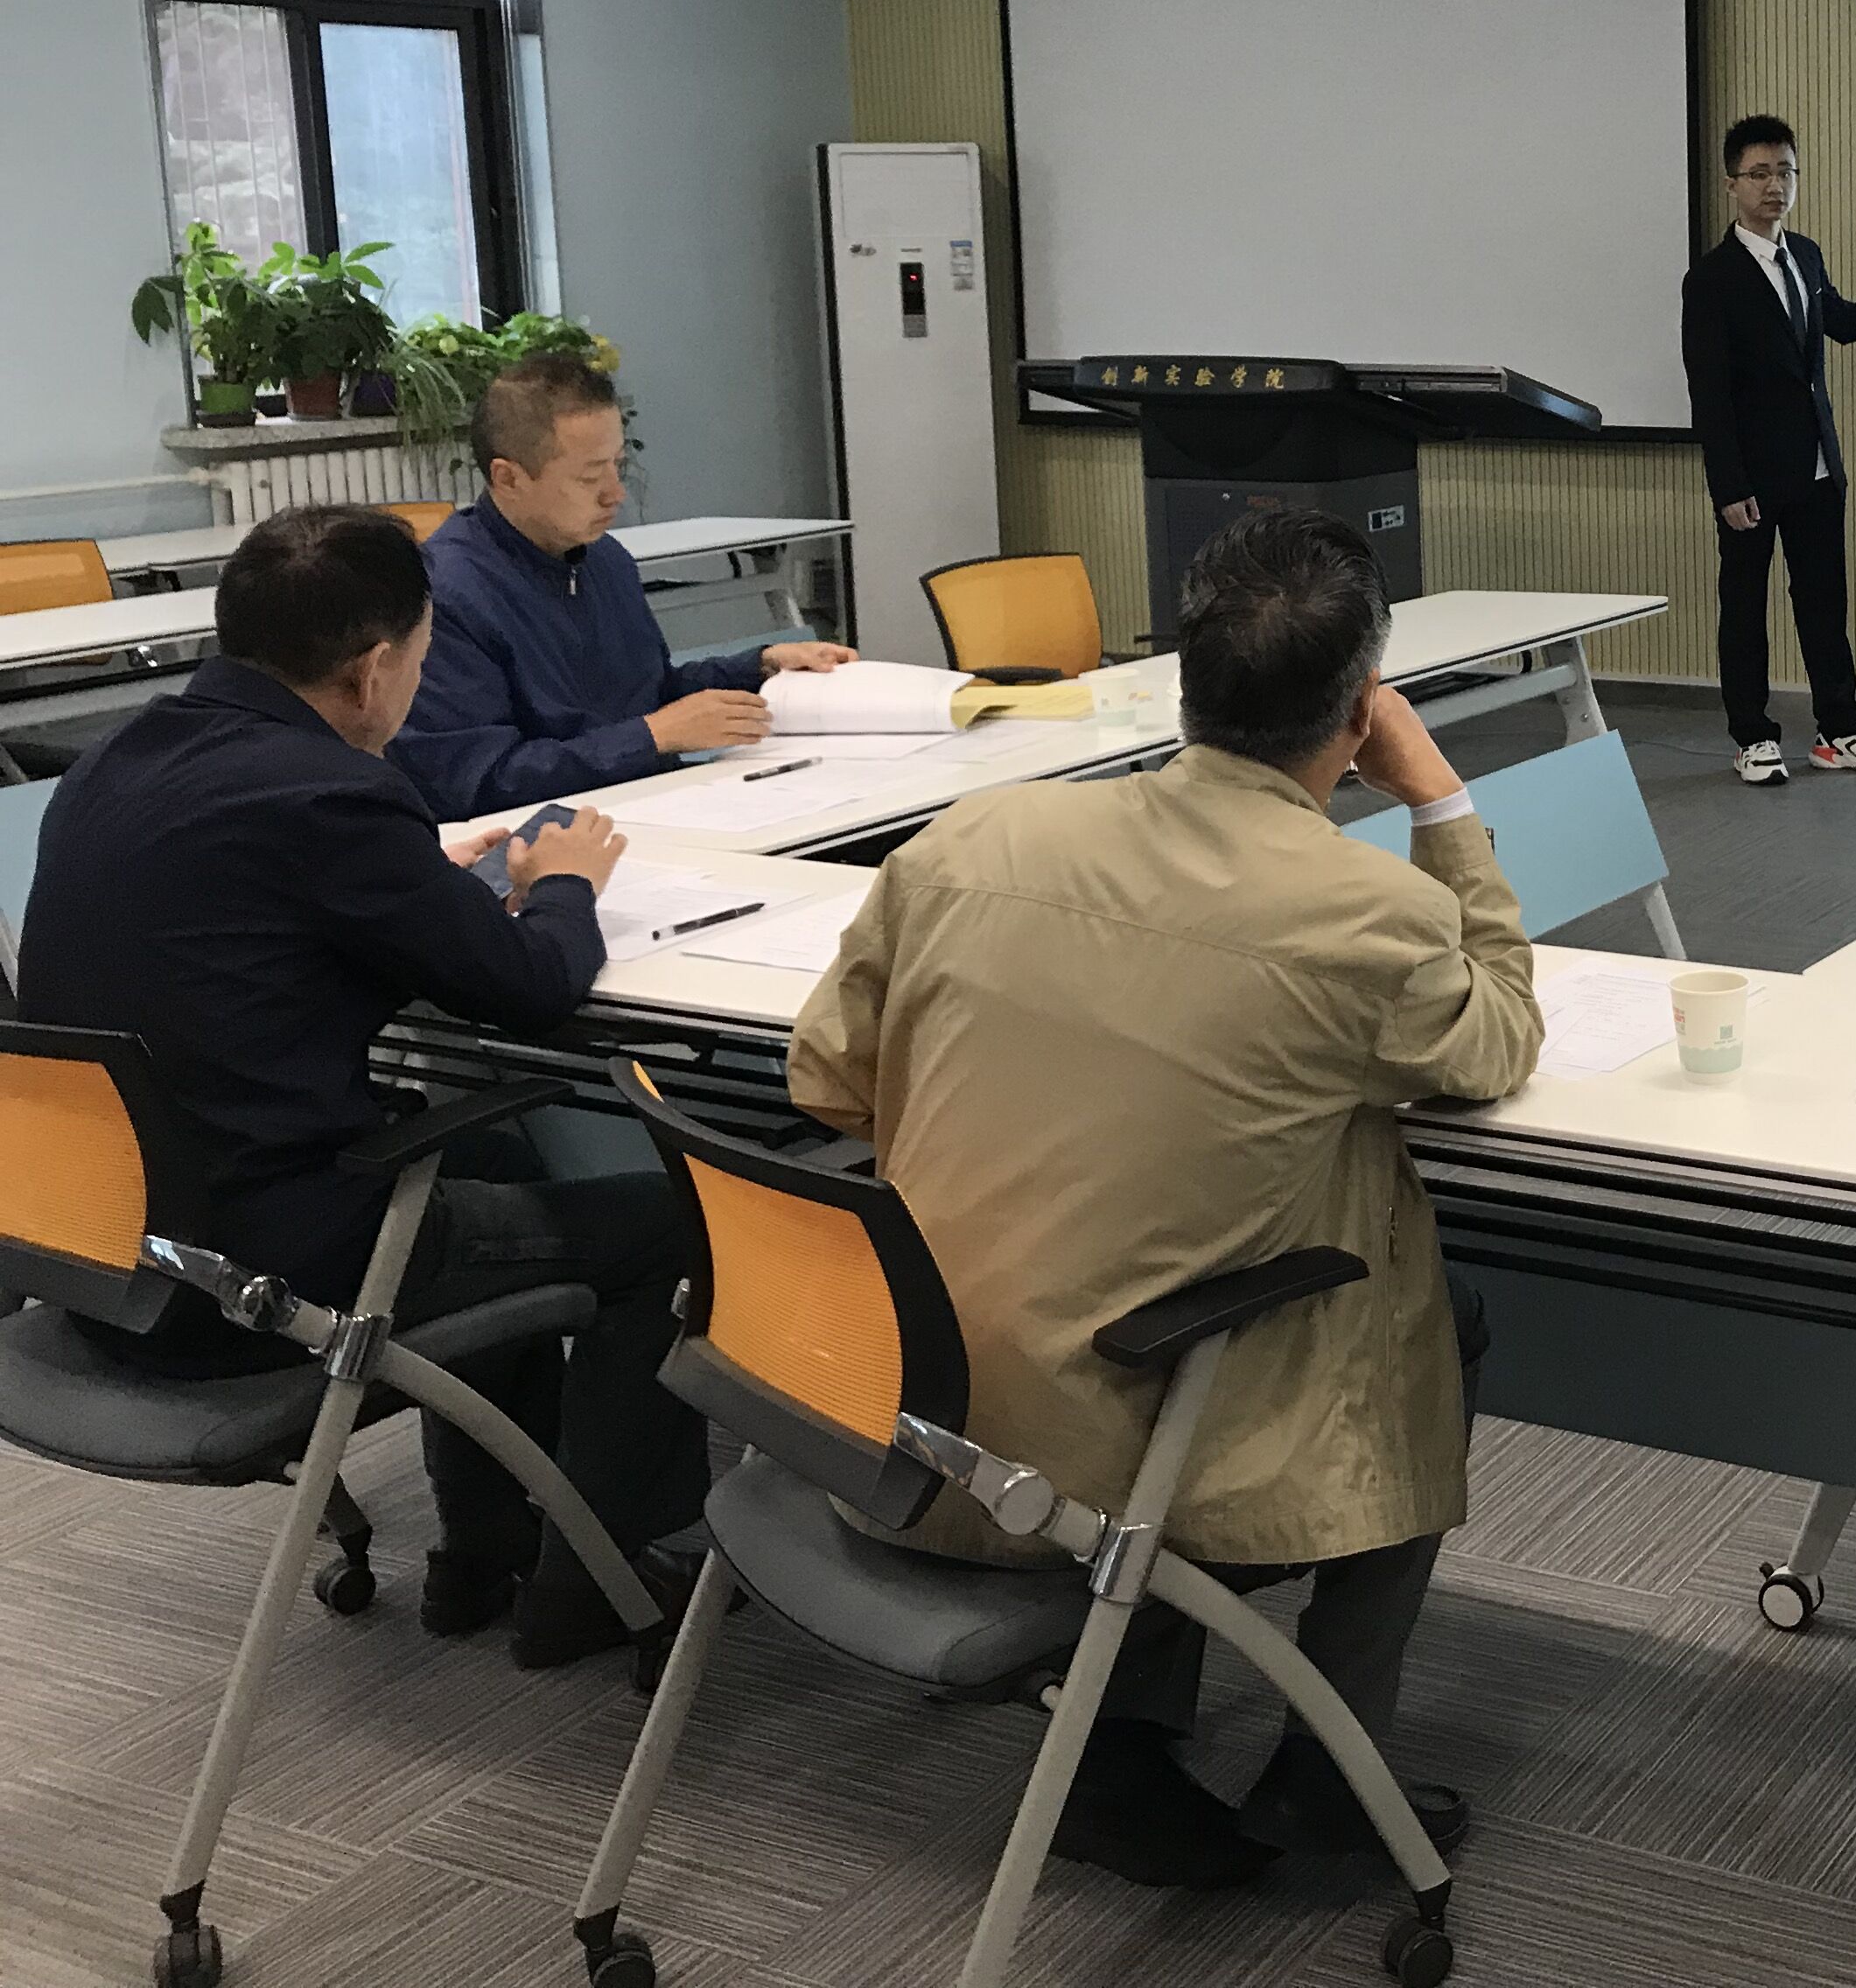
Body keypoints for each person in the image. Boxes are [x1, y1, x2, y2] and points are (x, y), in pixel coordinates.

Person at [789, 508, 1539, 1894]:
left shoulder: (974, 836)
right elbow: (1496, 1040)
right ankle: (1331, 1778)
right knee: (1427, 1315)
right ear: (1361, 710)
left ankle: (1125, 1749)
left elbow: (828, 1081)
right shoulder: (1363, 916)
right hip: (1086, 1471)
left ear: (1182, 682)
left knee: (1146, 1270)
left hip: (882, 1411)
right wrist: (1439, 799)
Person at [18, 504, 711, 1666]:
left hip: (105, 1256)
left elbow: (242, 927)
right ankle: (604, 1582)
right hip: (251, 1276)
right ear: (375, 669)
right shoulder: (332, 793)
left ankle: (481, 1548)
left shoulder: (113, 763)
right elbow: (531, 988)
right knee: (672, 1231)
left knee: (490, 1157)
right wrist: (562, 884)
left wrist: (407, 882)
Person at [391, 352, 856, 818]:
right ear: (508, 478)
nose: (616, 492)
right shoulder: (445, 594)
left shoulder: (603, 557)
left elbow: (647, 692)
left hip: (651, 803)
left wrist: (758, 666)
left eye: (618, 465)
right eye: (590, 476)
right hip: (549, 833)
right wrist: (653, 736)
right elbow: (477, 781)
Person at [1679, 113, 1856, 787]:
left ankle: (1840, 730)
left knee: (1824, 604)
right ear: (1732, 184)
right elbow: (1709, 392)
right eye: (1760, 173)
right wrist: (1728, 485)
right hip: (1752, 479)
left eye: (1785, 171)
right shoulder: (1712, 279)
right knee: (1745, 609)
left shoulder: (1806, 255)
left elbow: (1840, 324)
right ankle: (1753, 737)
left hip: (1816, 466)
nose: (1775, 186)